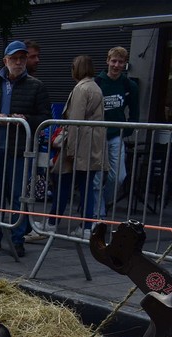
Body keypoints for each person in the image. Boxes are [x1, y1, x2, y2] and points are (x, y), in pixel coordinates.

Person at [0, 41, 51, 257]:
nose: (19, 62)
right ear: (5, 61)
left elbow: (45, 117)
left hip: (19, 151)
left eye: (22, 58)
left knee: (18, 197)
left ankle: (17, 240)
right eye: (14, 58)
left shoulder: (36, 86)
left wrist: (26, 119)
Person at [48, 55, 105, 234]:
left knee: (64, 182)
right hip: (92, 144)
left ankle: (52, 222)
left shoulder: (81, 89)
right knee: (86, 187)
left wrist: (70, 149)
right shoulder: (95, 87)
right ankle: (86, 226)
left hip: (79, 145)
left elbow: (75, 121)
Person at [93, 46, 139, 218]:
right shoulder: (97, 82)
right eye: (114, 61)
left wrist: (127, 130)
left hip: (115, 136)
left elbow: (134, 112)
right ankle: (99, 214)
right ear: (107, 61)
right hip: (97, 135)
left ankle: (102, 202)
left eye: (120, 62)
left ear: (125, 64)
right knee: (96, 178)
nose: (116, 65)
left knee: (118, 176)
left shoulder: (129, 85)